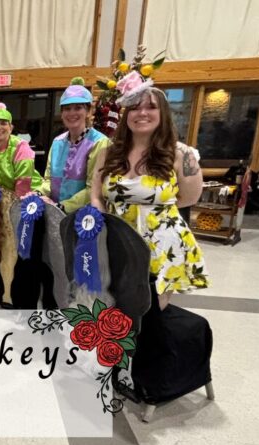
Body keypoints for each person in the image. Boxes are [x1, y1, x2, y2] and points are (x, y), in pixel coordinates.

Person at [91, 77, 207, 309]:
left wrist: (152, 210)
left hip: (161, 244)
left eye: (151, 107)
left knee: (150, 313)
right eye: (135, 107)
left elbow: (190, 197)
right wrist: (98, 225)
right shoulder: (109, 152)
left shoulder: (180, 154)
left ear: (163, 113)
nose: (142, 113)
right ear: (127, 115)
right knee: (115, 310)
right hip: (118, 241)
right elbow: (96, 194)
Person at [41, 79, 109, 213]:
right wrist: (38, 194)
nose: (72, 113)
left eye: (78, 108)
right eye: (67, 108)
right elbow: (49, 180)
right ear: (62, 113)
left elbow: (94, 189)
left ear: (89, 111)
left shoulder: (100, 143)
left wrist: (62, 206)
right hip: (54, 215)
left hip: (85, 218)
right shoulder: (57, 142)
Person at [0, 102, 43, 195]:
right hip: (2, 196)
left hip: (30, 196)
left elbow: (23, 182)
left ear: (11, 128)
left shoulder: (21, 146)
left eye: (3, 123)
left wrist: (15, 206)